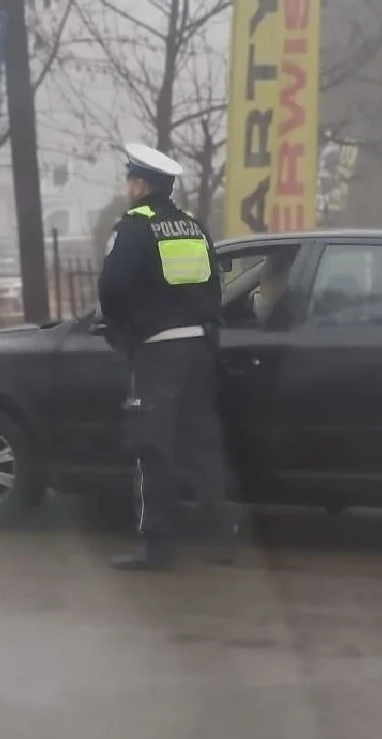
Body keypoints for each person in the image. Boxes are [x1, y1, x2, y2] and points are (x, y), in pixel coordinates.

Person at [98, 143, 239, 570]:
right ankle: (222, 535)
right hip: (198, 349)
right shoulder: (193, 227)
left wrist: (121, 331)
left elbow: (112, 288)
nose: (128, 188)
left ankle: (156, 548)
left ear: (141, 185)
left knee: (152, 448)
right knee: (203, 447)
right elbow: (214, 285)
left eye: (130, 180)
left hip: (157, 353)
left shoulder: (134, 226)